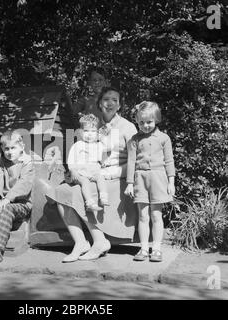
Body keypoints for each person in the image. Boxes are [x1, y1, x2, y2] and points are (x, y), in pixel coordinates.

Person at [46, 86, 138, 263]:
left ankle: (99, 242)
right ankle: (80, 242)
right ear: (99, 103)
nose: (110, 103)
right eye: (106, 99)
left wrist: (112, 172)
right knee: (61, 191)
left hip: (117, 178)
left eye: (114, 100)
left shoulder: (128, 127)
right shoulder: (93, 126)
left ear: (120, 105)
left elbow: (137, 161)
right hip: (92, 173)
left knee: (77, 193)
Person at [124, 101, 175, 262]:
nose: (145, 126)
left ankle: (157, 248)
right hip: (140, 179)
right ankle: (144, 248)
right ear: (136, 121)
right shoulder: (134, 140)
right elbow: (131, 162)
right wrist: (130, 183)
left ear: (156, 120)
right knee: (143, 215)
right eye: (141, 122)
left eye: (149, 122)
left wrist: (171, 182)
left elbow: (169, 161)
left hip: (158, 179)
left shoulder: (164, 138)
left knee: (156, 214)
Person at [0, 130, 35, 265]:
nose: (10, 152)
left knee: (6, 210)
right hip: (4, 200)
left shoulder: (27, 162)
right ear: (2, 149)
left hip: (22, 204)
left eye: (13, 148)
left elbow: (24, 184)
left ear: (22, 147)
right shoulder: (2, 162)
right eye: (6, 149)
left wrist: (7, 199)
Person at [67, 113, 109, 212]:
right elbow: (71, 160)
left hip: (93, 171)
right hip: (80, 172)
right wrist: (73, 170)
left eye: (93, 131)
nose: (89, 134)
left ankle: (103, 197)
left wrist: (104, 163)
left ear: (97, 133)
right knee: (84, 182)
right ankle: (89, 203)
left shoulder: (98, 145)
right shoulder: (78, 145)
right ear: (80, 132)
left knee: (100, 177)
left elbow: (104, 154)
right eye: (86, 131)